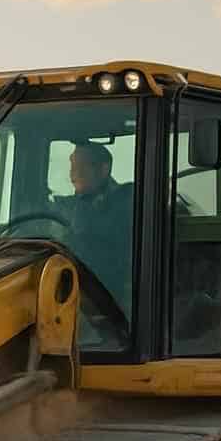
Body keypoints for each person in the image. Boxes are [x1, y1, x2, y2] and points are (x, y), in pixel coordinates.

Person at [54, 141, 135, 344]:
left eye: (81, 166)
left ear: (104, 168)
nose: (73, 173)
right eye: (72, 166)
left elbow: (106, 251)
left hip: (109, 297)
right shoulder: (69, 206)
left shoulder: (126, 203)